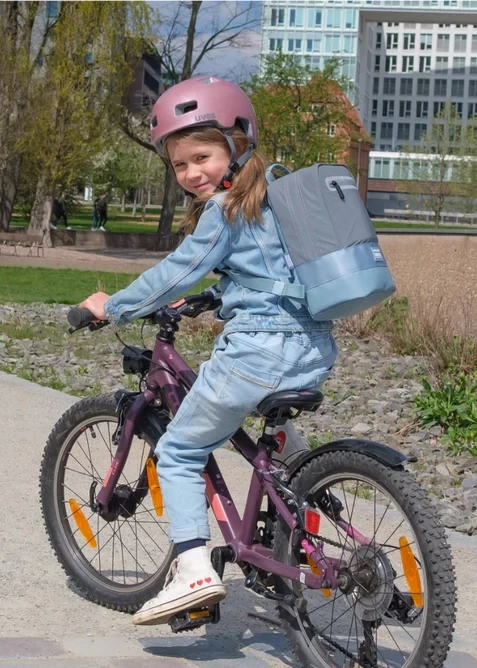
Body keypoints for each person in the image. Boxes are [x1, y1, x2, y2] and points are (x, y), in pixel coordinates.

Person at [78, 76, 337, 626]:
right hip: (313, 347)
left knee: (177, 451)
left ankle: (194, 570)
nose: (192, 173)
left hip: (258, 352)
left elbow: (177, 270)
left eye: (202, 157)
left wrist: (113, 306)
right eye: (180, 165)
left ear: (237, 145)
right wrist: (216, 298)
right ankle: (299, 509)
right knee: (268, 434)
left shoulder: (224, 209)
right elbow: (269, 273)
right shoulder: (273, 200)